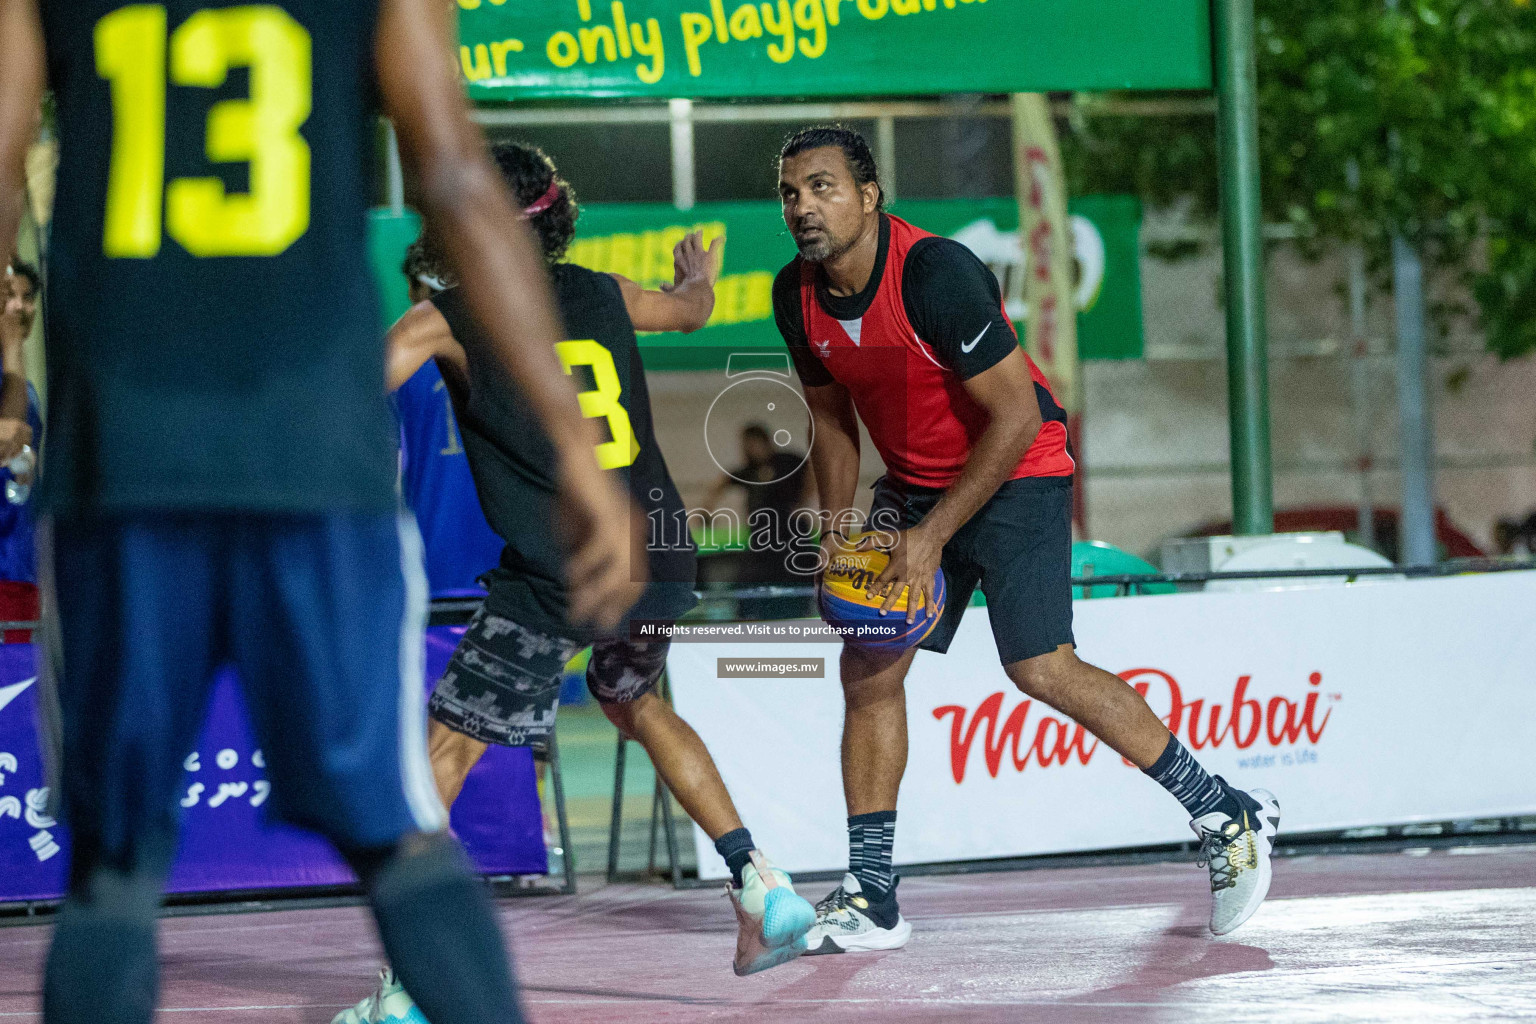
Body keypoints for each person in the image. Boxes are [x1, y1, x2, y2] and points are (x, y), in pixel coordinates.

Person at [0, 2, 642, 1022]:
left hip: (123, 455)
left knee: (114, 864)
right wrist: (572, 443)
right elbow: (458, 177)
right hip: (313, 455)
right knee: (399, 835)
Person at [771, 125, 1281, 954]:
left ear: (870, 197)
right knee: (868, 666)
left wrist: (933, 536)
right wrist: (837, 533)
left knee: (1039, 665)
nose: (803, 207)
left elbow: (1014, 416)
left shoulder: (935, 274)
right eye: (791, 192)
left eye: (823, 187)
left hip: (1018, 470)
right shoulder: (793, 293)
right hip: (915, 483)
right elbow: (828, 419)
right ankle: (871, 896)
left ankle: (1225, 810)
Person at [336, 142, 813, 1022]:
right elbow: (691, 312)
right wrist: (698, 275)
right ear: (556, 217)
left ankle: (409, 994)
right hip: (656, 556)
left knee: (446, 755)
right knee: (635, 701)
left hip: (555, 573)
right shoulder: (602, 291)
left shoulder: (445, 316)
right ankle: (761, 883)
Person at [394, 240, 503, 597]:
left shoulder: (397, 363)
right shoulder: (520, 353)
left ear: (417, 289)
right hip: (522, 571)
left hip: (434, 566)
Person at [704, 422, 815, 618]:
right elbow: (723, 482)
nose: (752, 449)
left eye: (755, 443)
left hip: (791, 532)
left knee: (796, 577)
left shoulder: (786, 461)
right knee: (752, 581)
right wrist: (706, 508)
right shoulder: (749, 471)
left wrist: (803, 501)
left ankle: (798, 615)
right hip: (762, 538)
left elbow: (812, 470)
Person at [0, 260, 41, 641]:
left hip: (21, 572)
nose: (19, 307)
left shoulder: (25, 386)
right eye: (7, 296)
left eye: (28, 298)